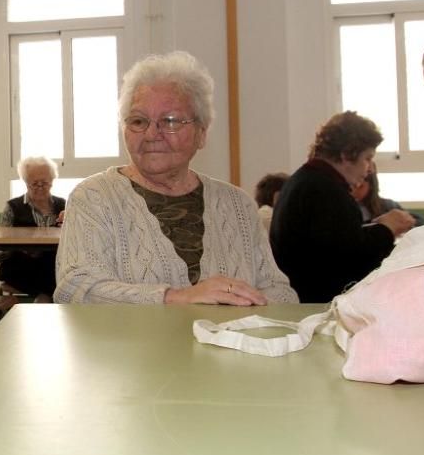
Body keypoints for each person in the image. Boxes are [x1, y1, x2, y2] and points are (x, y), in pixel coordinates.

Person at [54, 51, 297, 305]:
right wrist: (177, 298)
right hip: (133, 346)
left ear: (201, 133)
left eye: (169, 121)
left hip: (227, 345)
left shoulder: (238, 205)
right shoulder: (93, 198)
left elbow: (280, 291)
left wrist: (252, 309)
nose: (151, 133)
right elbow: (75, 289)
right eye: (138, 120)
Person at [270, 111, 417, 303]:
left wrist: (376, 227)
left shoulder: (307, 181)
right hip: (315, 304)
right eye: (367, 158)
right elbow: (348, 262)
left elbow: (334, 241)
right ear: (347, 154)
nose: (370, 168)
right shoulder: (324, 191)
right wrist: (386, 229)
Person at [0, 156, 65, 303]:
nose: (40, 188)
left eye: (44, 183)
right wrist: (19, 246)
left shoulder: (62, 205)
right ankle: (44, 299)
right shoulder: (13, 207)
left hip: (52, 267)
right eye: (34, 184)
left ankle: (43, 299)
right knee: (56, 278)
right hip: (20, 268)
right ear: (25, 182)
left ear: (52, 181)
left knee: (54, 265)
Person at [350, 162, 424, 227]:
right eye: (350, 186)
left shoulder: (387, 205)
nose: (353, 191)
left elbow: (419, 222)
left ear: (371, 186)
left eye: (359, 187)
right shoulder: (342, 207)